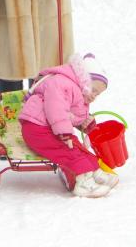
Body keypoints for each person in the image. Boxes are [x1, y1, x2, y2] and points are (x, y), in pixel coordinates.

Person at [19, 53, 118, 198]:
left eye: (98, 95)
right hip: (36, 128)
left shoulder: (78, 90)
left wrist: (84, 124)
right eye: (94, 90)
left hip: (50, 128)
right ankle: (83, 182)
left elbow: (70, 115)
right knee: (68, 149)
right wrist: (65, 132)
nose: (94, 96)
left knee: (78, 146)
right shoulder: (61, 83)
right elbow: (56, 108)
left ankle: (94, 171)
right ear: (84, 79)